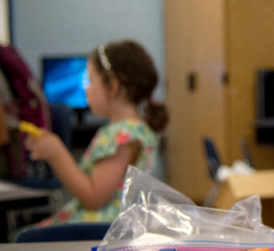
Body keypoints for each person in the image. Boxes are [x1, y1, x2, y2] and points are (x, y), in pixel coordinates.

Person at [25, 40, 168, 225]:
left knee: (22, 239)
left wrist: (56, 154)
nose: (86, 89)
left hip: (99, 230)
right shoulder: (132, 129)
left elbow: (93, 197)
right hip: (101, 228)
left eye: (90, 81)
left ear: (113, 87)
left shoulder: (123, 135)